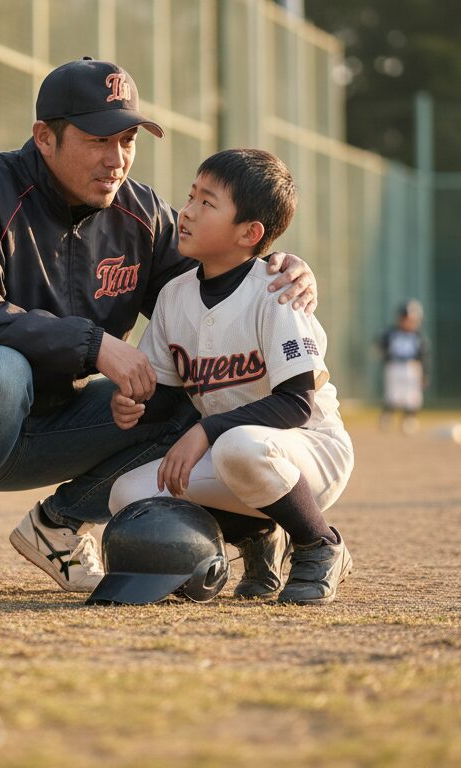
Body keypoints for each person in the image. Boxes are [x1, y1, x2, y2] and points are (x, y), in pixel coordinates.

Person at [0, 58, 319, 597]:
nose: (117, 159)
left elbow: (207, 295)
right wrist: (94, 345)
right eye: (98, 140)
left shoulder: (142, 213)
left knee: (180, 401)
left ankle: (55, 525)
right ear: (45, 137)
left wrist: (272, 265)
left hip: (53, 421)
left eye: (128, 139)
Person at [106, 149, 354, 605]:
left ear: (249, 233)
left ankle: (319, 543)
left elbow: (297, 404)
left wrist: (205, 430)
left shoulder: (277, 290)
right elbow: (164, 395)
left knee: (236, 445)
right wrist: (134, 406)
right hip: (234, 454)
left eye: (207, 203)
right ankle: (259, 534)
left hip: (309, 451)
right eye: (190, 197)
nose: (187, 211)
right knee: (128, 496)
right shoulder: (174, 296)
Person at [378, 299, 428, 434]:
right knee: (393, 393)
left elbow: (423, 355)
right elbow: (380, 345)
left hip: (412, 366)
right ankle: (388, 416)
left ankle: (409, 419)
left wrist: (425, 374)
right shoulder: (391, 333)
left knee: (412, 395)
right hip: (394, 366)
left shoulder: (418, 336)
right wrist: (384, 356)